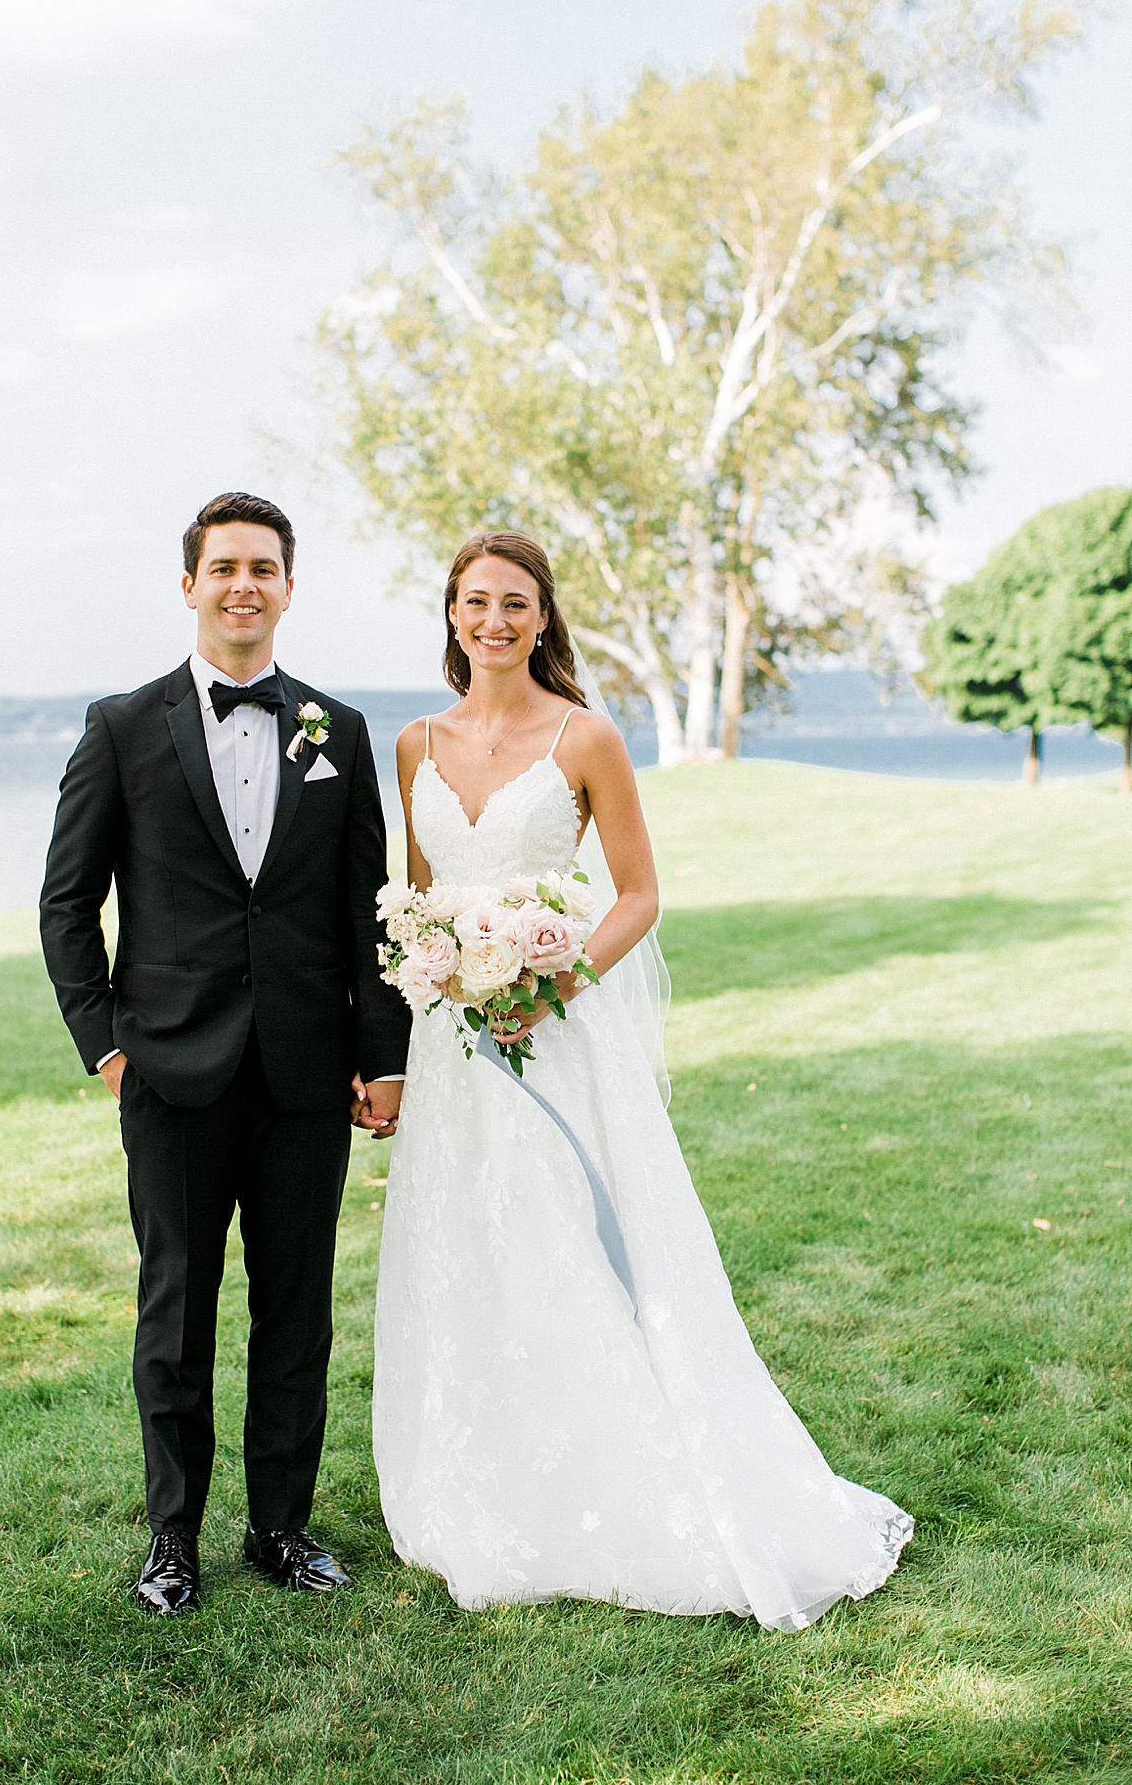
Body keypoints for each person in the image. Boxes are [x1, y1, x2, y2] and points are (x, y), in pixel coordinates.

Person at [373, 529, 912, 1629]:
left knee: (569, 1234)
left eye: (513, 603)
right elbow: (420, 895)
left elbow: (635, 895)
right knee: (467, 1242)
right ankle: (488, 1476)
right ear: (450, 614)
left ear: (542, 616)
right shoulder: (413, 744)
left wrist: (546, 979)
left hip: (551, 1030)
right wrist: (437, 968)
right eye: (474, 602)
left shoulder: (586, 737)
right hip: (451, 1048)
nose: (492, 622)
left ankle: (615, 1472)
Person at [40, 492, 410, 1616]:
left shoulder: (336, 732)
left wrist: (381, 1053)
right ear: (189, 585)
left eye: (264, 567)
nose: (243, 584)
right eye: (224, 567)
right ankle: (171, 1540)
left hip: (306, 1073)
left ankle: (282, 1529)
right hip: (170, 1071)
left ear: (288, 588)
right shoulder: (120, 724)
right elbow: (68, 902)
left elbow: (367, 912)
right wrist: (106, 1044)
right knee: (176, 1310)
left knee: (296, 1311)